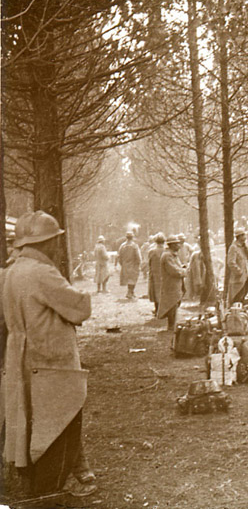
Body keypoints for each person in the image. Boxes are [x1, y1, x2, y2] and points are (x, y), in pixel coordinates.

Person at [0, 211, 97, 500]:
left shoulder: (12, 271)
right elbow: (79, 308)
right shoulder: (42, 273)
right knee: (60, 422)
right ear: (44, 242)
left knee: (28, 421)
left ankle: (34, 484)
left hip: (22, 357)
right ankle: (49, 491)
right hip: (51, 359)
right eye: (54, 240)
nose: (56, 246)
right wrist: (83, 295)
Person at [157, 235, 187, 333]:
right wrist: (185, 271)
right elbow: (173, 271)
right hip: (170, 284)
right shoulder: (167, 256)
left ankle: (173, 324)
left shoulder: (172, 254)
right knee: (171, 304)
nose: (179, 245)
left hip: (175, 284)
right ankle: (171, 326)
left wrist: (182, 267)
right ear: (172, 245)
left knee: (175, 303)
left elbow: (177, 267)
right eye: (177, 243)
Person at [226, 227, 248, 307]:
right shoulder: (233, 247)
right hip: (237, 280)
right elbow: (231, 262)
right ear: (239, 236)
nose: (245, 237)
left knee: (242, 297)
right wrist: (239, 272)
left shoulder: (243, 247)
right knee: (236, 299)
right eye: (243, 235)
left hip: (245, 278)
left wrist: (246, 248)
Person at [118, 231, 141, 299]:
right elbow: (138, 257)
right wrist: (138, 263)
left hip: (125, 264)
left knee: (128, 279)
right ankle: (130, 292)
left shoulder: (122, 246)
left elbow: (119, 256)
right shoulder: (134, 246)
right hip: (133, 264)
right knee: (133, 279)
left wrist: (122, 263)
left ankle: (131, 292)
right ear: (132, 237)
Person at [148, 233, 166, 316]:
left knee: (156, 291)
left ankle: (157, 309)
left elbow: (149, 263)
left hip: (155, 274)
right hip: (165, 273)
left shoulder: (152, 251)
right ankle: (165, 309)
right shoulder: (167, 250)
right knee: (165, 291)